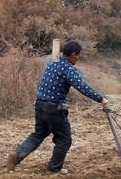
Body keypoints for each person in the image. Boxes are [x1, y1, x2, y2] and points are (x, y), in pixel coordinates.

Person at [7, 40, 111, 174]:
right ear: (73, 54)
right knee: (64, 139)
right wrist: (101, 99)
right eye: (78, 56)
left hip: (40, 104)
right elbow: (82, 87)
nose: (78, 59)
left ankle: (17, 155)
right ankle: (54, 167)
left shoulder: (52, 62)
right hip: (54, 108)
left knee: (38, 134)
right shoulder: (67, 68)